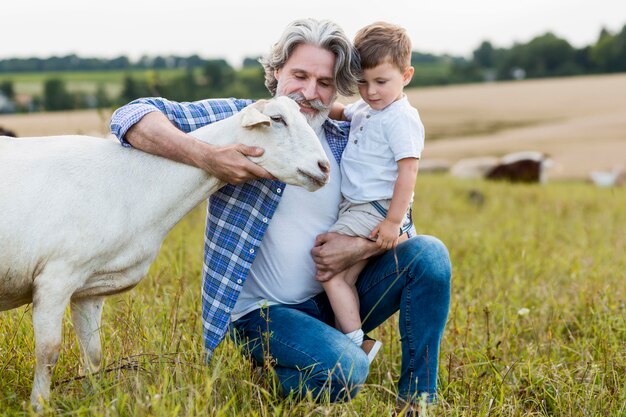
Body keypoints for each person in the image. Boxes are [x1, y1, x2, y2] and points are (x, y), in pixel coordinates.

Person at [110, 18, 451, 413]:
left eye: (324, 82)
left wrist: (356, 248)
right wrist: (209, 157)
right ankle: (268, 368)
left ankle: (417, 400)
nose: (310, 92)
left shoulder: (348, 136)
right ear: (275, 74)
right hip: (263, 314)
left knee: (430, 255)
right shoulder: (242, 121)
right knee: (346, 371)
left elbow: (398, 221)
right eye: (300, 76)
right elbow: (130, 115)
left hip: (333, 296)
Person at [322, 22, 424, 363]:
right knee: (343, 279)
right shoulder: (367, 109)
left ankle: (355, 346)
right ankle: (349, 346)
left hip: (375, 208)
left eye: (381, 82)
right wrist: (315, 108)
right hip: (360, 208)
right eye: (362, 83)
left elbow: (408, 171)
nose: (371, 91)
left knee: (330, 271)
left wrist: (394, 221)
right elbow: (342, 111)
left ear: (406, 75)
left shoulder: (401, 118)